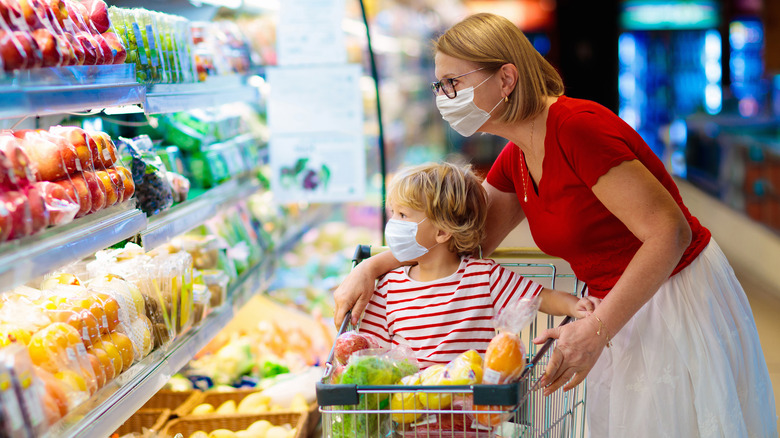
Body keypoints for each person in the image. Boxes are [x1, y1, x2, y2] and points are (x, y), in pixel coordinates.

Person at [334, 12, 777, 437]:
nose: (443, 97)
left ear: (506, 79)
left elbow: (670, 232)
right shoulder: (518, 156)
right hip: (613, 305)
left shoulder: (579, 129)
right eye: (438, 85)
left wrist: (596, 328)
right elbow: (462, 239)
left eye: (454, 83)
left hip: (671, 296)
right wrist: (372, 267)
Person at [357, 161, 599, 369]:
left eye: (402, 215)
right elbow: (370, 350)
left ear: (442, 231)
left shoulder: (483, 276)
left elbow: (541, 298)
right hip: (407, 413)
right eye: (393, 213)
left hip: (471, 416)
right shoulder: (389, 287)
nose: (394, 224)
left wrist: (575, 305)